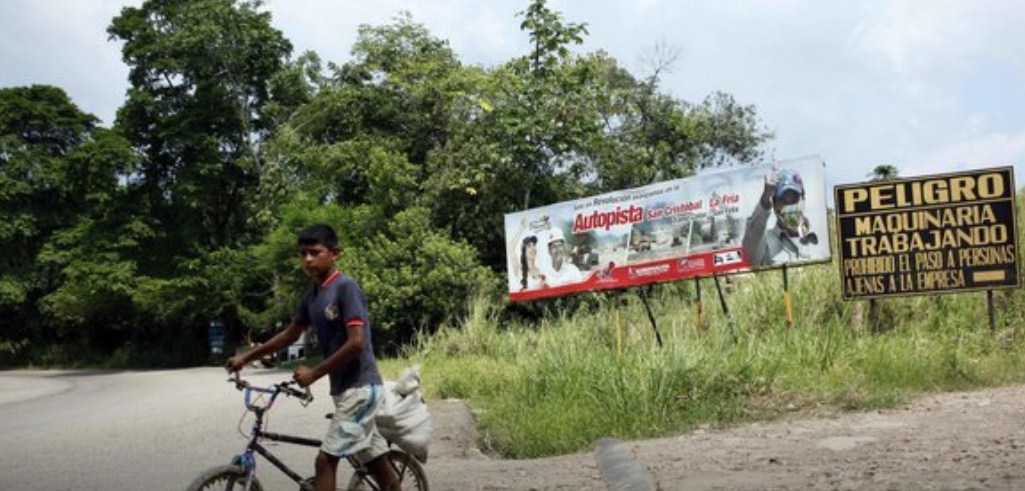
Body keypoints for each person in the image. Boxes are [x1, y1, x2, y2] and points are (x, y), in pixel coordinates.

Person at [225, 224, 400, 491]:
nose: (307, 259)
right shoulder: (311, 297)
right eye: (302, 253)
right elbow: (288, 336)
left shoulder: (345, 287)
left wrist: (314, 373)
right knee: (372, 457)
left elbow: (356, 343)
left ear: (334, 253)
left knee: (324, 462)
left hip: (361, 389)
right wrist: (246, 358)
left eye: (315, 252)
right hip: (345, 390)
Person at [742, 169, 819, 267]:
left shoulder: (822, 237)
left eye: (794, 199)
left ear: (803, 200)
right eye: (783, 201)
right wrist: (765, 199)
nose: (790, 206)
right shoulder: (764, 243)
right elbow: (749, 258)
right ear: (774, 205)